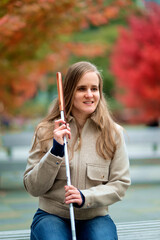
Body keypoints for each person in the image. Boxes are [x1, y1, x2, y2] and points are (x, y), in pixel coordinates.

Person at [23, 61, 131, 240]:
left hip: (95, 217)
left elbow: (120, 185)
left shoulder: (113, 133)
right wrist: (56, 151)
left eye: (94, 89)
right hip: (51, 216)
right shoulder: (45, 131)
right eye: (82, 88)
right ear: (68, 92)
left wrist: (85, 196)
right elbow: (33, 187)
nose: (89, 95)